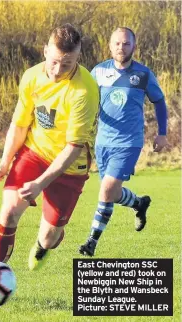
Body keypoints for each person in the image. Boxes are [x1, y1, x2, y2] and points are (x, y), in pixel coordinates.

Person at [0, 23, 99, 270]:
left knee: (49, 237)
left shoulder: (85, 91)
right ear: (45, 50)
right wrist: (5, 162)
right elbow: (20, 123)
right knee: (9, 211)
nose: (58, 70)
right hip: (34, 152)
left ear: (78, 57)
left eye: (67, 64)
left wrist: (40, 183)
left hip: (70, 165)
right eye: (55, 61)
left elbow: (72, 147)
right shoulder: (31, 76)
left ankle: (48, 240)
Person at [79, 27, 168, 257]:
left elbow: (159, 101)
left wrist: (162, 133)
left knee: (106, 189)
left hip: (129, 142)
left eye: (126, 43)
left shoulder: (144, 74)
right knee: (112, 192)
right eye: (117, 43)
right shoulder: (97, 72)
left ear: (134, 46)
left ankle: (91, 241)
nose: (121, 47)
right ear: (110, 46)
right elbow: (84, 102)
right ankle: (139, 203)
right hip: (103, 142)